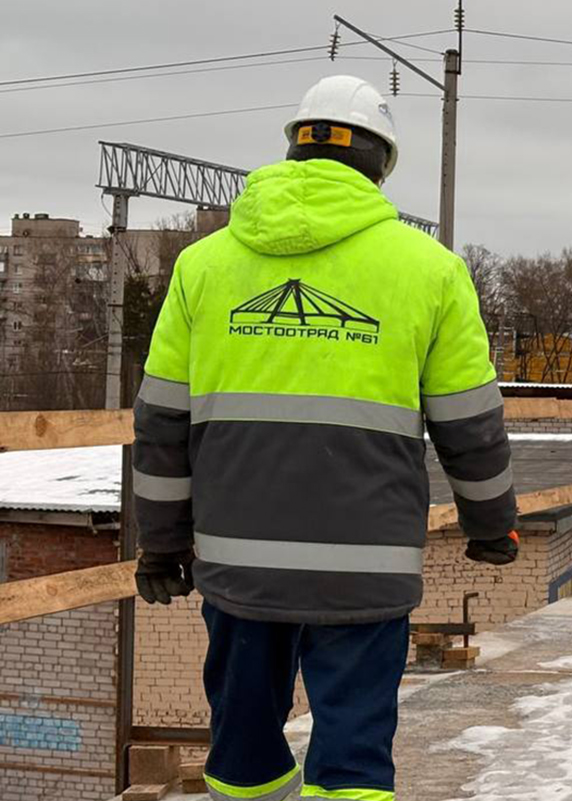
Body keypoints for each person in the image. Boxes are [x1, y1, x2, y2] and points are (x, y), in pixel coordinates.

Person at [131, 75, 517, 801]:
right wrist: (491, 525)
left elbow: (159, 426)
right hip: (365, 569)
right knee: (351, 766)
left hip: (238, 567)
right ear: (382, 165)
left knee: (241, 754)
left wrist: (160, 542)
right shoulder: (430, 271)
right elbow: (470, 422)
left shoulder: (203, 266)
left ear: (293, 150)